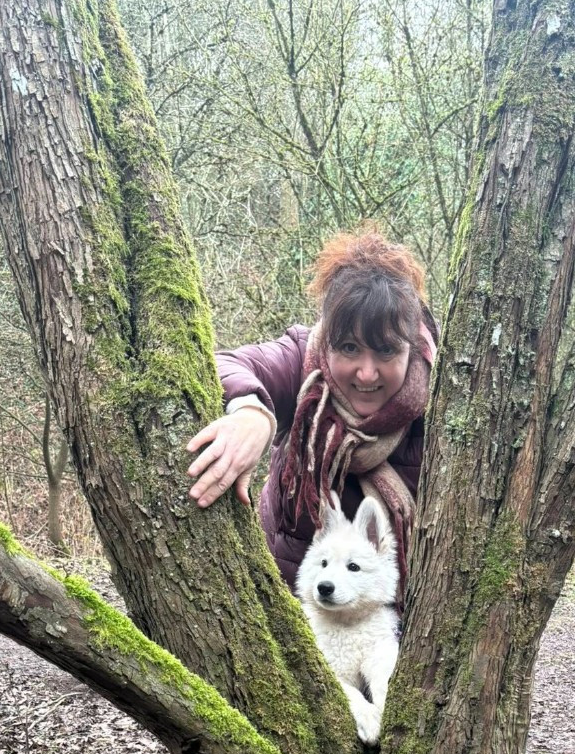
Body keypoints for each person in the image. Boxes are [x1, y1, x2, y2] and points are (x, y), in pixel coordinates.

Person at [187, 229, 437, 603]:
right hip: (289, 608)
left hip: (392, 625)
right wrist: (252, 413)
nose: (366, 373)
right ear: (327, 340)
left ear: (411, 348)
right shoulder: (304, 360)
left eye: (385, 351)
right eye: (349, 348)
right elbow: (226, 364)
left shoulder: (444, 399)